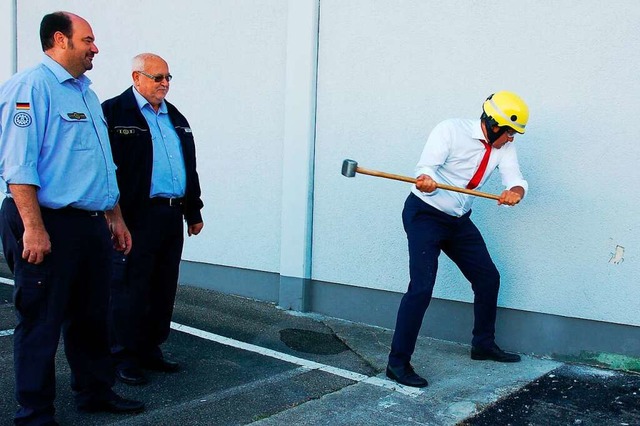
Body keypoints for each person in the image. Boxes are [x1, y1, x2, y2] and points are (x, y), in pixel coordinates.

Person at [0, 11, 145, 425]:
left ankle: (95, 392)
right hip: (45, 221)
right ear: (60, 40)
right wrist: (33, 228)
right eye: (88, 40)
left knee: (92, 316)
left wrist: (114, 217)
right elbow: (18, 166)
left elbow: (100, 164)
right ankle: (35, 412)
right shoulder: (30, 88)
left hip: (89, 222)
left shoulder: (84, 92)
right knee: (41, 319)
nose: (95, 48)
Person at [386, 91, 530, 388]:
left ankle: (483, 345)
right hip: (425, 214)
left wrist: (516, 192)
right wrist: (426, 181)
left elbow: (515, 179)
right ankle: (397, 363)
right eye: (509, 132)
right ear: (492, 125)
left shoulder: (503, 147)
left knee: (488, 278)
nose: (512, 138)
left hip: (458, 222)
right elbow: (426, 169)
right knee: (422, 288)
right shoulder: (450, 130)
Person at [102, 53, 204, 386]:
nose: (164, 84)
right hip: (134, 216)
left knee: (162, 286)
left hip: (171, 214)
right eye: (158, 77)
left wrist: (194, 210)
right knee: (130, 286)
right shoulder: (114, 113)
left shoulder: (175, 117)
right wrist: (112, 217)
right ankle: (123, 355)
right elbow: (103, 168)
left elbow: (188, 167)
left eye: (168, 78)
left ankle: (150, 349)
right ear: (137, 77)